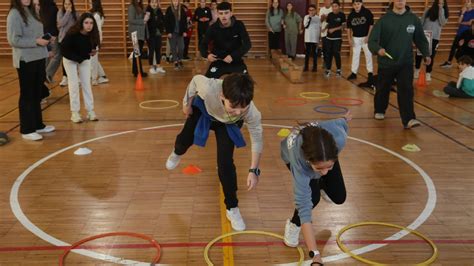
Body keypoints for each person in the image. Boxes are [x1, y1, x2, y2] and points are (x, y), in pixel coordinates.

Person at [165, 73, 263, 231]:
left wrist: (253, 170)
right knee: (184, 140)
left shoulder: (251, 112)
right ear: (222, 95)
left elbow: (257, 140)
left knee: (225, 164)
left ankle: (232, 208)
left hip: (227, 124)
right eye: (234, 107)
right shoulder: (209, 88)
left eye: (242, 108)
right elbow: (195, 80)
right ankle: (177, 152)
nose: (238, 112)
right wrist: (186, 104)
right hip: (205, 112)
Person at [282, 113, 351, 265]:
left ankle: (320, 182)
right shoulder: (299, 161)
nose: (325, 172)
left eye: (329, 167)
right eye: (319, 168)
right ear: (309, 160)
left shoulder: (339, 138)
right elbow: (304, 207)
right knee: (312, 198)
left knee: (339, 197)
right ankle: (293, 223)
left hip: (323, 155)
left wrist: (344, 119)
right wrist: (316, 255)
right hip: (294, 157)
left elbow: (341, 122)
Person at [368, 0, 430, 129]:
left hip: (405, 62)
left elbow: (421, 39)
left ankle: (409, 119)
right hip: (386, 62)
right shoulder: (384, 20)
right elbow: (372, 41)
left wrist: (426, 54)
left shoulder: (413, 19)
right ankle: (379, 109)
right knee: (383, 89)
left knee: (406, 90)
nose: (400, 1)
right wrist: (378, 49)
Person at [7, 0, 55, 141]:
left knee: (37, 93)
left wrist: (46, 40)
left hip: (39, 57)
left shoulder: (32, 11)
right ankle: (27, 129)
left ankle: (38, 125)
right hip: (26, 60)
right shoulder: (15, 14)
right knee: (27, 95)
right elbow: (13, 40)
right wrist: (36, 41)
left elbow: (35, 34)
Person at [61, 13, 100, 123]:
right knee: (73, 85)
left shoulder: (93, 35)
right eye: (86, 23)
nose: (89, 25)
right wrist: (78, 58)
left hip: (83, 59)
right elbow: (63, 50)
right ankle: (75, 113)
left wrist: (92, 52)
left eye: (91, 23)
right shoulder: (72, 33)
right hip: (69, 58)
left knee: (86, 84)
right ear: (81, 23)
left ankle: (90, 111)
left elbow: (91, 48)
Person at [199, 2, 251, 79]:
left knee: (246, 84)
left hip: (236, 61)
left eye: (226, 13)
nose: (223, 16)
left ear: (231, 13)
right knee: (207, 84)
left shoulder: (239, 25)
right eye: (221, 13)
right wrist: (207, 55)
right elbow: (202, 44)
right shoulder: (213, 28)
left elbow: (247, 44)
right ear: (217, 14)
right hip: (218, 61)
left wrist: (233, 56)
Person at [414, 0, 448, 82]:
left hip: (435, 37)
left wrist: (441, 10)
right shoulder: (428, 10)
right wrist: (419, 32)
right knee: (419, 54)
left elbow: (442, 22)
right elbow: (421, 21)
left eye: (442, 3)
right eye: (439, 3)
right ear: (436, 3)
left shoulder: (444, 13)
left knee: (431, 55)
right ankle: (417, 70)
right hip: (425, 35)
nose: (440, 5)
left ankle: (428, 73)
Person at [346, 0, 374, 84]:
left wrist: (368, 37)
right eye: (355, 4)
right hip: (356, 38)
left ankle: (370, 72)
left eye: (358, 4)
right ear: (352, 5)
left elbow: (371, 25)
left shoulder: (367, 12)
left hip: (365, 37)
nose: (357, 6)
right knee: (355, 55)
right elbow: (348, 28)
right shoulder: (351, 15)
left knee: (368, 55)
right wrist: (349, 39)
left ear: (361, 4)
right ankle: (354, 72)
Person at [440, 0, 471, 68]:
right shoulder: (462, 10)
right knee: (453, 47)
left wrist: (462, 23)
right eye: (465, 2)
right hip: (460, 32)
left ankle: (465, 64)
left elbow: (470, 23)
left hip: (468, 34)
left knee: (464, 49)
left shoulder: (473, 11)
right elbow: (458, 21)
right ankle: (449, 62)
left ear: (471, 2)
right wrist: (462, 13)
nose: (467, 3)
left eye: (468, 1)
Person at [89, 0, 109, 85]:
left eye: (90, 2)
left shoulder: (97, 15)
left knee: (93, 59)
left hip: (95, 40)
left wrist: (96, 41)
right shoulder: (96, 14)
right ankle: (102, 76)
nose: (89, 3)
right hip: (94, 39)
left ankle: (94, 79)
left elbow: (97, 30)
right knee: (93, 58)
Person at [324, 0, 345, 77]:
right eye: (333, 6)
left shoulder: (342, 15)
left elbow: (343, 27)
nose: (334, 8)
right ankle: (328, 69)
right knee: (328, 54)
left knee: (336, 53)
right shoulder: (330, 15)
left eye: (336, 6)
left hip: (337, 38)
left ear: (338, 7)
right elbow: (328, 24)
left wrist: (334, 29)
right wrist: (324, 29)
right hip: (329, 38)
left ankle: (338, 70)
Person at [39, 0, 58, 84]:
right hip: (52, 35)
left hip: (44, 34)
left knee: (46, 57)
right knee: (57, 55)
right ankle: (48, 74)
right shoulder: (52, 7)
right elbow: (50, 23)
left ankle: (43, 77)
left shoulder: (41, 7)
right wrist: (53, 35)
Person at [165, 0, 187, 70]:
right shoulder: (169, 9)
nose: (175, 2)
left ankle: (180, 60)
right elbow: (166, 21)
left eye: (176, 1)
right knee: (173, 48)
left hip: (180, 32)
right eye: (174, 1)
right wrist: (168, 32)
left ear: (178, 2)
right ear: (172, 2)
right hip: (172, 32)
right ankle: (175, 62)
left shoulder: (182, 9)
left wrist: (184, 31)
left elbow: (184, 21)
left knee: (181, 47)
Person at [128, 0, 148, 77]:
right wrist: (143, 20)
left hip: (140, 33)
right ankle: (139, 72)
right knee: (137, 53)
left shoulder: (140, 6)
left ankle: (136, 71)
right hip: (135, 33)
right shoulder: (132, 7)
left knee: (137, 53)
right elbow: (131, 20)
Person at [146, 0, 166, 74]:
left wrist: (162, 29)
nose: (154, 4)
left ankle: (158, 66)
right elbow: (147, 23)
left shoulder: (159, 10)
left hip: (158, 34)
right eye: (152, 2)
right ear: (149, 3)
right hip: (150, 35)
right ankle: (151, 67)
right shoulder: (147, 11)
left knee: (158, 50)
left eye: (155, 2)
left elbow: (163, 20)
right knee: (151, 51)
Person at [303, 4, 320, 72]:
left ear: (315, 11)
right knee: (307, 53)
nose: (311, 12)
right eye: (310, 10)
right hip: (308, 38)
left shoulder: (317, 18)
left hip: (315, 39)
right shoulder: (306, 17)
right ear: (308, 11)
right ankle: (306, 66)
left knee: (314, 54)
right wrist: (309, 19)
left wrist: (318, 38)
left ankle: (314, 67)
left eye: (313, 10)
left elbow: (319, 28)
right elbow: (305, 26)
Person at [319, 0, 332, 70]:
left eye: (328, 1)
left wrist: (327, 17)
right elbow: (320, 20)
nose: (327, 2)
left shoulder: (333, 9)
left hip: (331, 32)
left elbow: (332, 20)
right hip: (323, 32)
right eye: (325, 1)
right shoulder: (322, 9)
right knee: (324, 48)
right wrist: (323, 17)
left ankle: (328, 63)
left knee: (330, 49)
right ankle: (325, 61)